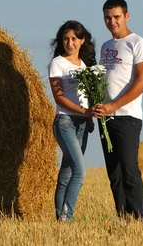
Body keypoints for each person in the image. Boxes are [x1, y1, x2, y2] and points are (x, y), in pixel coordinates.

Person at [93, 0, 143, 220]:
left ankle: (139, 218)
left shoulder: (138, 43)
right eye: (107, 18)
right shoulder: (106, 46)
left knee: (129, 170)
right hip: (105, 117)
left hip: (127, 116)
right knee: (114, 173)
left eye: (116, 17)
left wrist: (113, 105)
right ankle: (123, 217)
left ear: (126, 16)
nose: (112, 21)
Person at [48, 20, 97, 222]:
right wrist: (84, 111)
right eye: (66, 39)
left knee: (67, 175)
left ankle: (61, 222)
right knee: (80, 172)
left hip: (82, 125)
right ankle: (67, 217)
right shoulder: (58, 63)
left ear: (82, 40)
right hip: (65, 122)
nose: (70, 43)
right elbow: (59, 97)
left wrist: (91, 115)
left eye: (74, 39)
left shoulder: (85, 66)